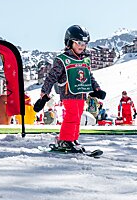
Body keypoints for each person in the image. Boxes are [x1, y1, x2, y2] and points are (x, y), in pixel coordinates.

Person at [39, 25, 106, 153]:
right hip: (68, 92)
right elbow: (51, 76)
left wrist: (97, 89)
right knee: (72, 116)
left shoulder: (85, 60)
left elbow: (89, 76)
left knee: (78, 116)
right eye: (79, 43)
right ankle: (65, 140)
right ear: (69, 42)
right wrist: (45, 90)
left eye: (84, 43)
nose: (82, 46)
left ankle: (73, 139)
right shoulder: (62, 60)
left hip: (81, 94)